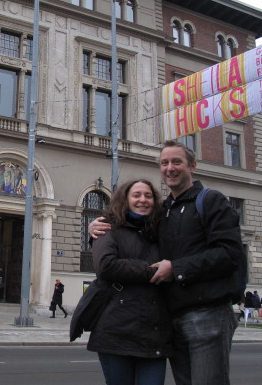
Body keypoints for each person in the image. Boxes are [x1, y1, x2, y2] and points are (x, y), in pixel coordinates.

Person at [90, 140, 244, 385]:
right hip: (172, 320)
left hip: (208, 314)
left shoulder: (211, 200)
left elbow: (229, 254)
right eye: (164, 163)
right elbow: (130, 228)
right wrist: (97, 227)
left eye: (176, 162)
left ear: (192, 166)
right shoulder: (164, 211)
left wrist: (176, 269)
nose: (170, 168)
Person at [88, 179, 173, 385]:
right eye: (136, 195)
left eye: (148, 196)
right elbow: (106, 267)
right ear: (125, 199)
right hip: (116, 333)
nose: (143, 200)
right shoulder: (107, 227)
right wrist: (152, 270)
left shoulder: (163, 231)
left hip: (154, 335)